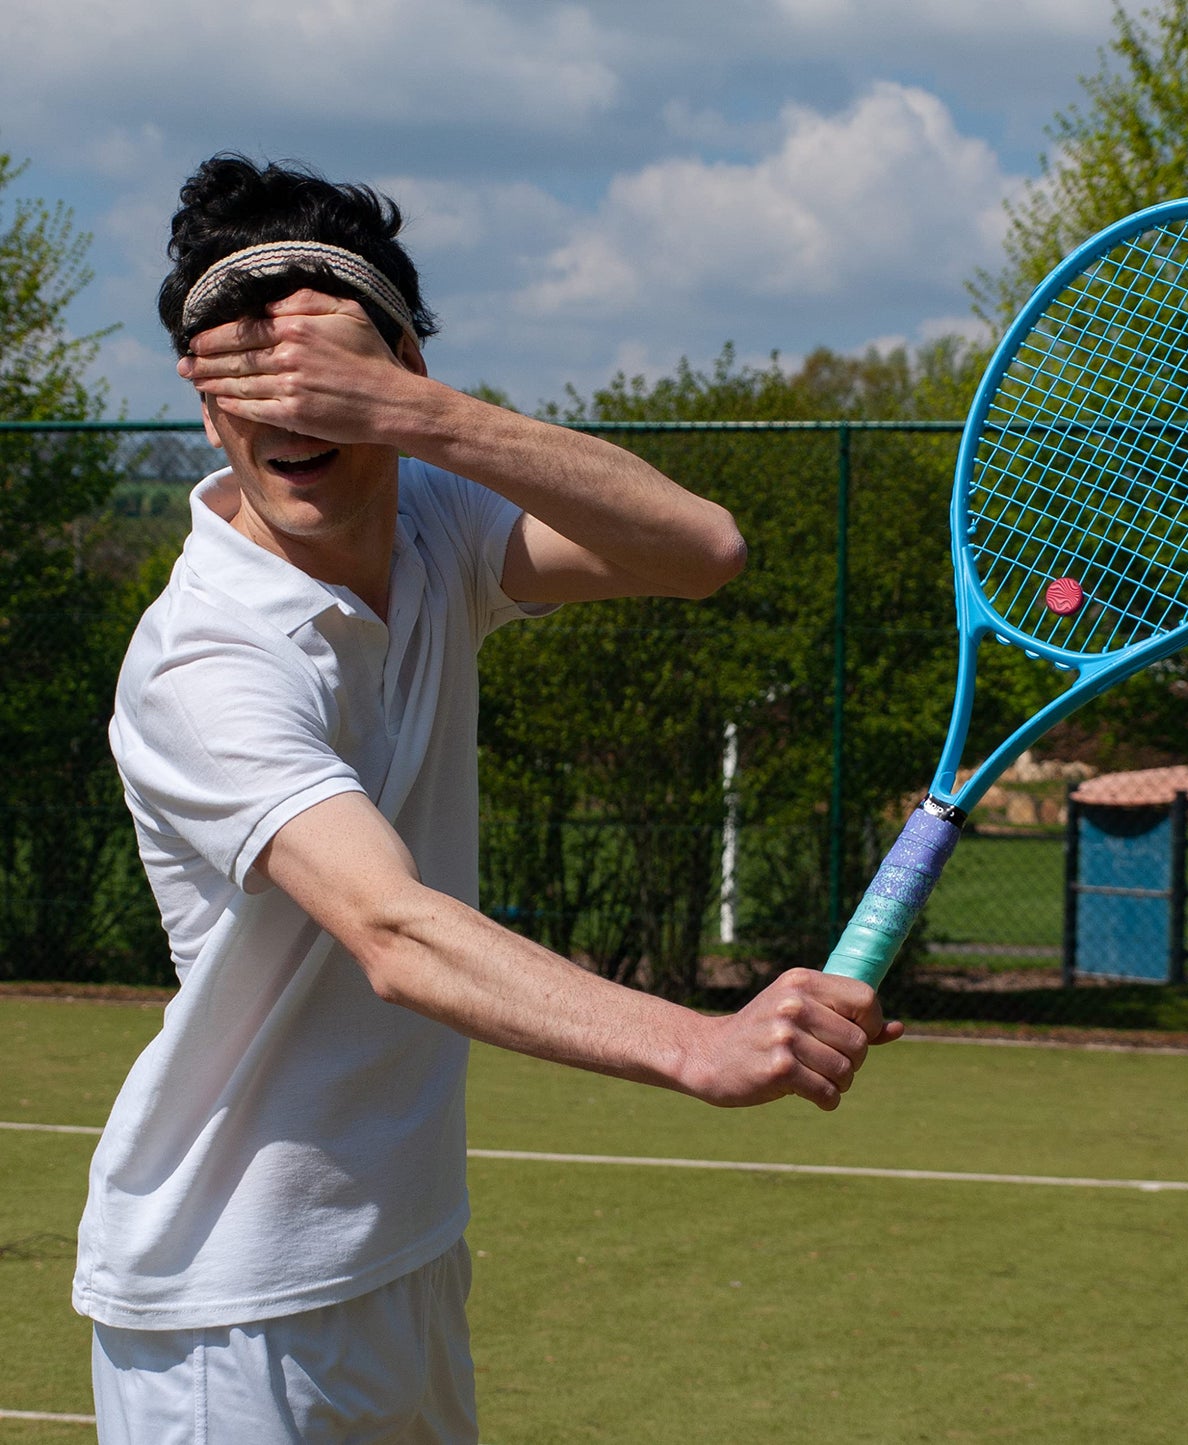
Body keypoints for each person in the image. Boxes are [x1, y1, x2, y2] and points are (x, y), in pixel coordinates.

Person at [73, 154, 899, 1444]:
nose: (293, 420)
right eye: (249, 379)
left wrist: (426, 414)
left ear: (399, 369)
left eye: (328, 380)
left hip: (402, 1254)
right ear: (200, 388)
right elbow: (392, 932)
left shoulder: (435, 519)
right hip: (227, 1307)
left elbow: (701, 550)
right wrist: (698, 1043)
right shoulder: (208, 658)